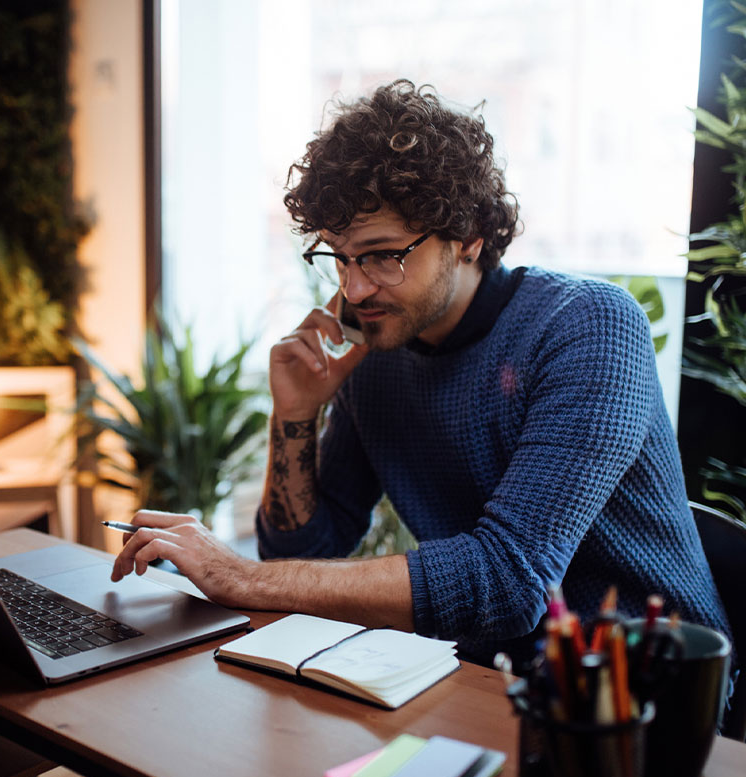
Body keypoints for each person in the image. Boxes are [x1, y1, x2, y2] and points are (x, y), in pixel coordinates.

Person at [110, 79, 732, 670]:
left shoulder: (586, 327)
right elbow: (305, 556)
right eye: (339, 257)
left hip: (651, 688)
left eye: (382, 255)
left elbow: (509, 581)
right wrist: (296, 414)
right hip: (480, 675)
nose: (354, 288)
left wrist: (238, 574)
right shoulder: (376, 350)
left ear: (468, 235)